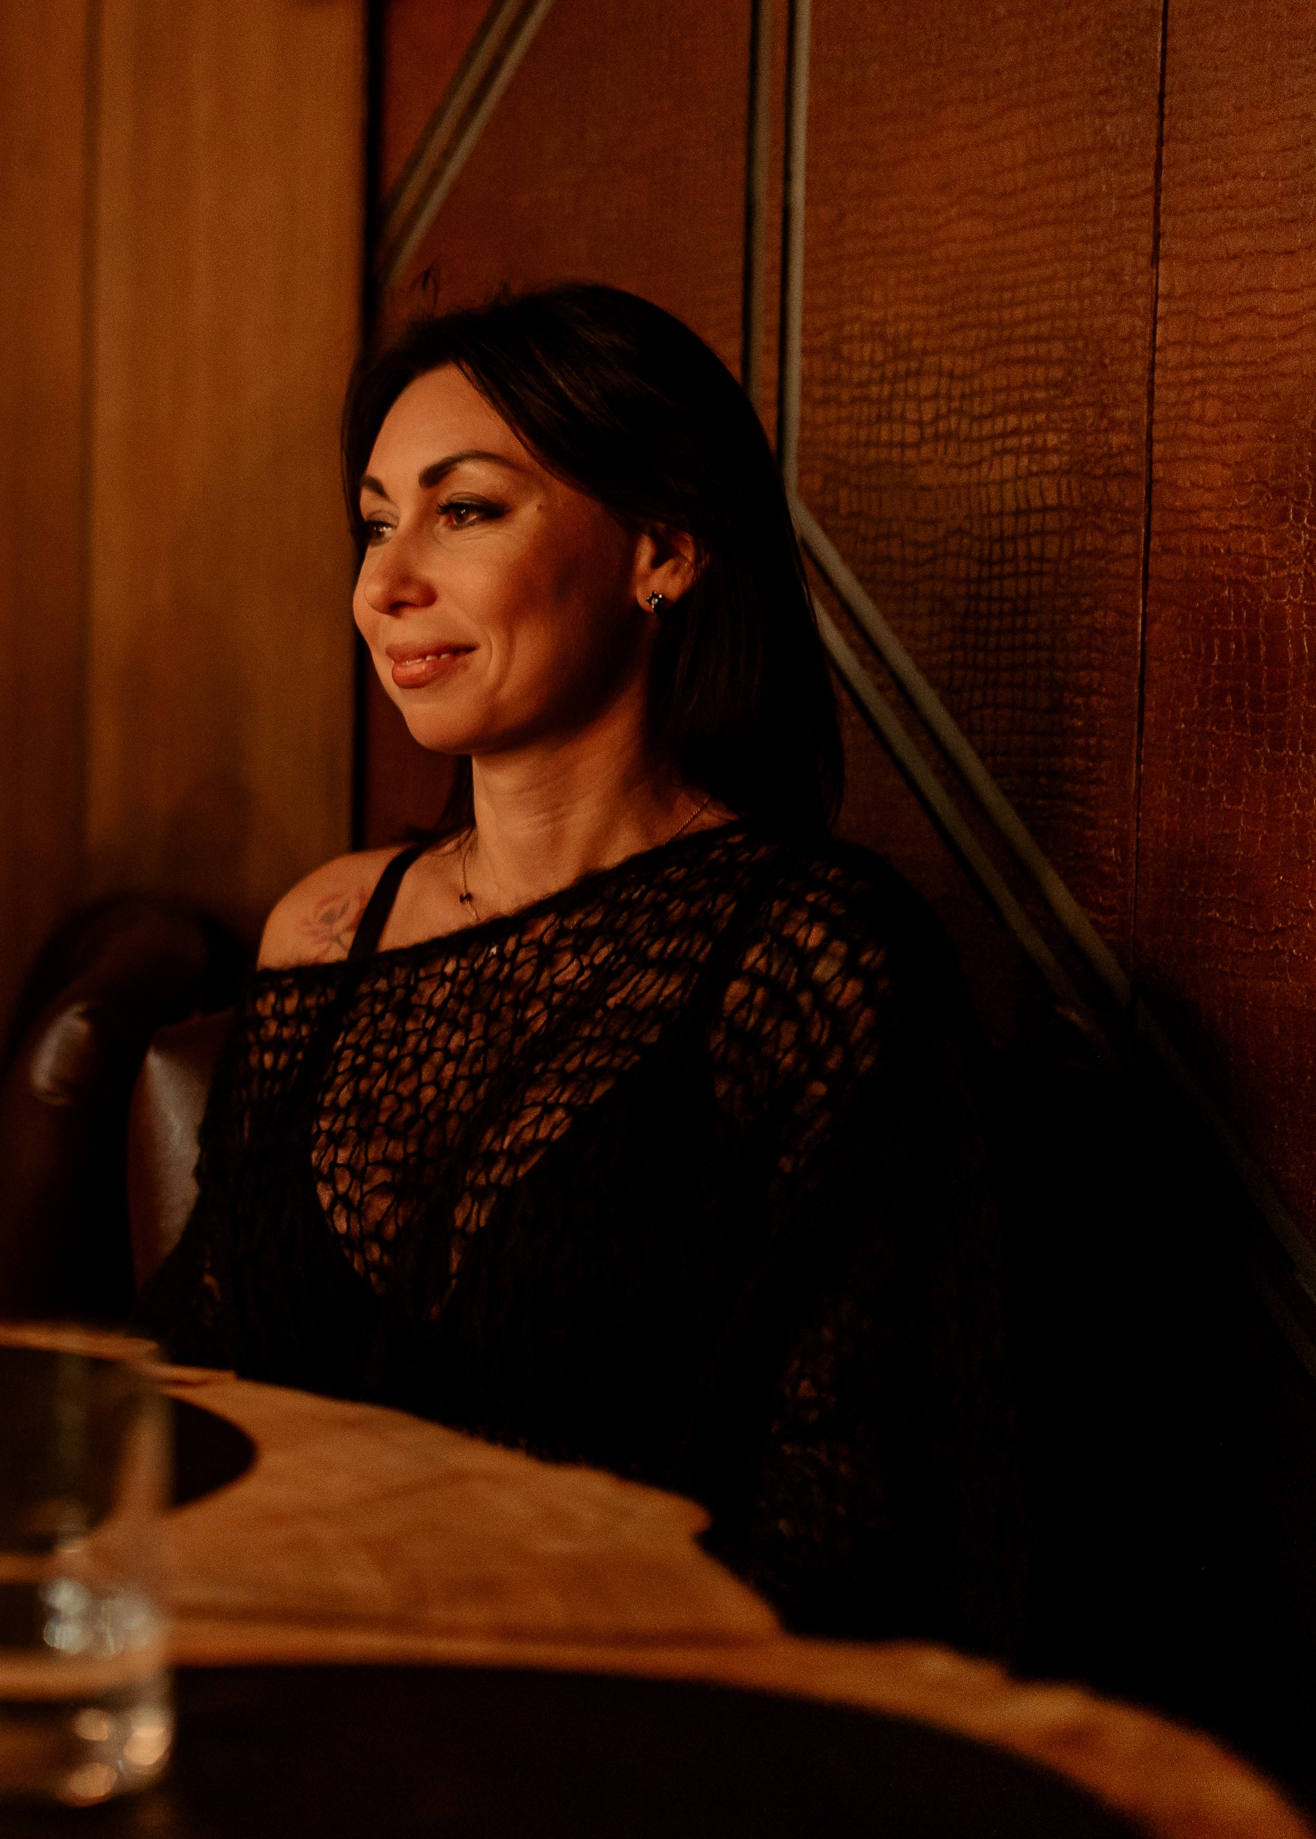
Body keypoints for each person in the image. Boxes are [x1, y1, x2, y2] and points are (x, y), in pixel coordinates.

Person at [141, 284, 1020, 1652]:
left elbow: (852, 1521)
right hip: (279, 1682)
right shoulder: (327, 929)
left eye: (464, 510)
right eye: (374, 523)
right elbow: (207, 1385)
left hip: (629, 1714)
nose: (384, 584)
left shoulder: (808, 952)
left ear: (662, 548)